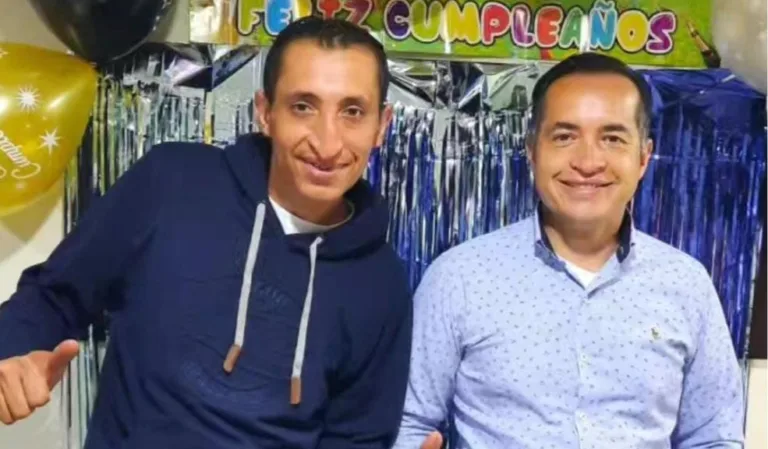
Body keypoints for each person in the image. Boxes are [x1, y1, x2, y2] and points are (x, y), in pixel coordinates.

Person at [0, 17, 413, 449]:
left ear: (381, 125)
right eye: (303, 107)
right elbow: (53, 295)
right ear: (265, 112)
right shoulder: (170, 182)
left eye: (352, 112)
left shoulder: (381, 283)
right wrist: (11, 352)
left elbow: (357, 438)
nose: (327, 144)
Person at [398, 53, 745, 449]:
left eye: (612, 139)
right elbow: (409, 423)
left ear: (644, 157)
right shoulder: (459, 278)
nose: (588, 162)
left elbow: (714, 438)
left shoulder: (686, 284)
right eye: (564, 136)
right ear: (531, 150)